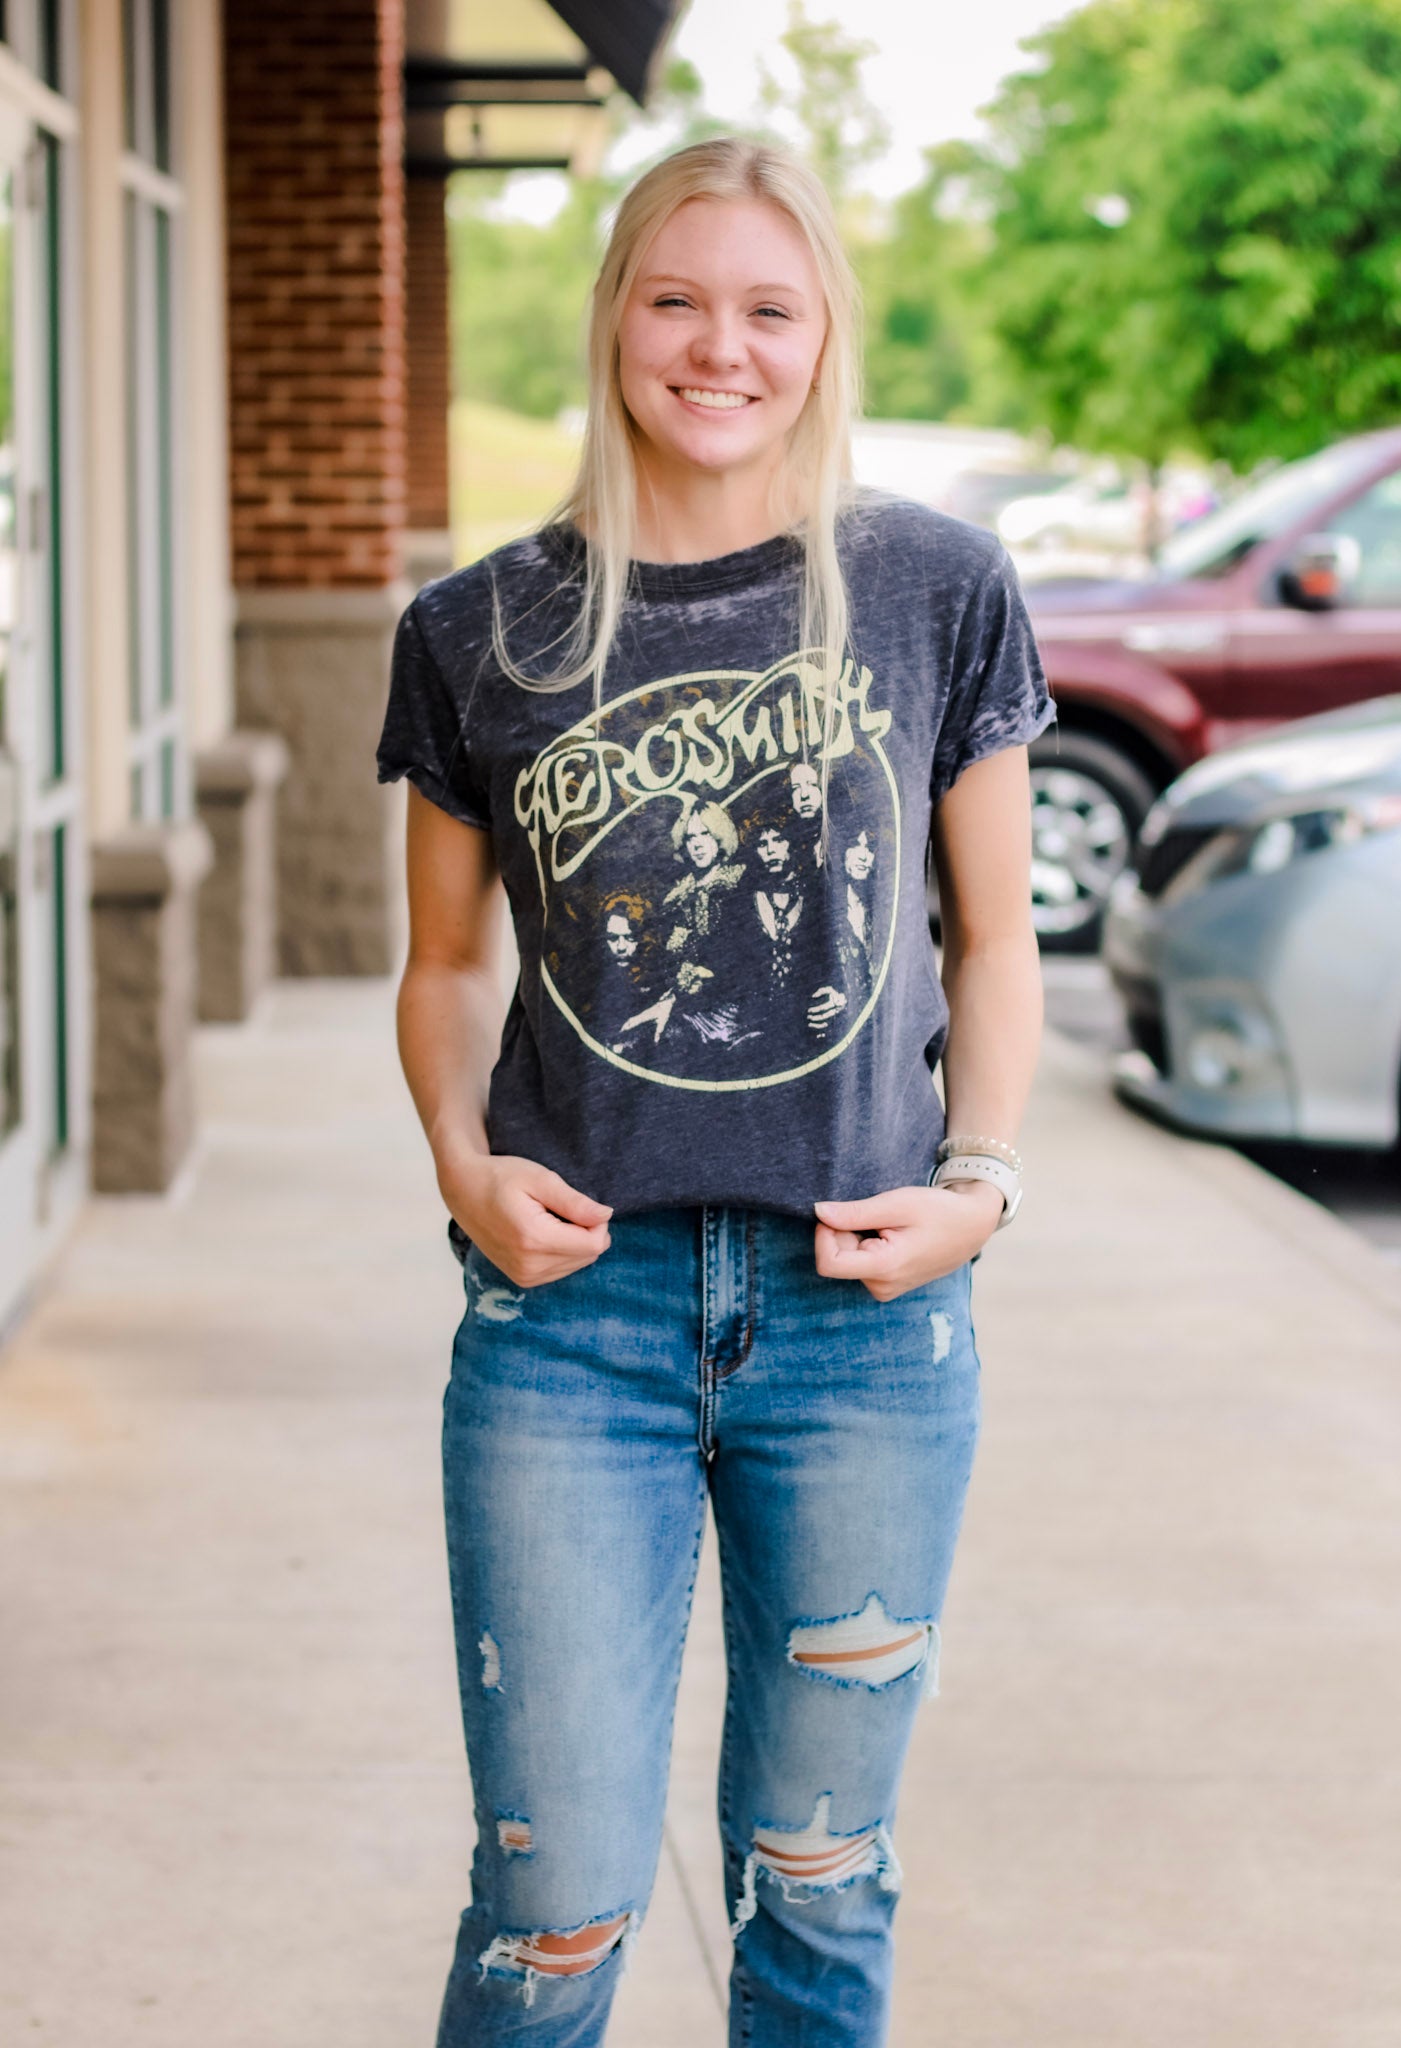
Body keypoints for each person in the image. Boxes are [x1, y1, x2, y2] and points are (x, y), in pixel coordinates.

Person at [375, 134, 1054, 2048]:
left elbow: (994, 938)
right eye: (675, 300)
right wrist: (460, 1166)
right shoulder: (479, 629)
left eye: (768, 307)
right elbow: (445, 965)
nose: (718, 348)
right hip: (570, 1323)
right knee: (554, 1904)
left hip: (861, 1327)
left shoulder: (932, 589)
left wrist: (983, 1180)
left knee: (819, 1883)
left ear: (824, 333)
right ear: (613, 320)